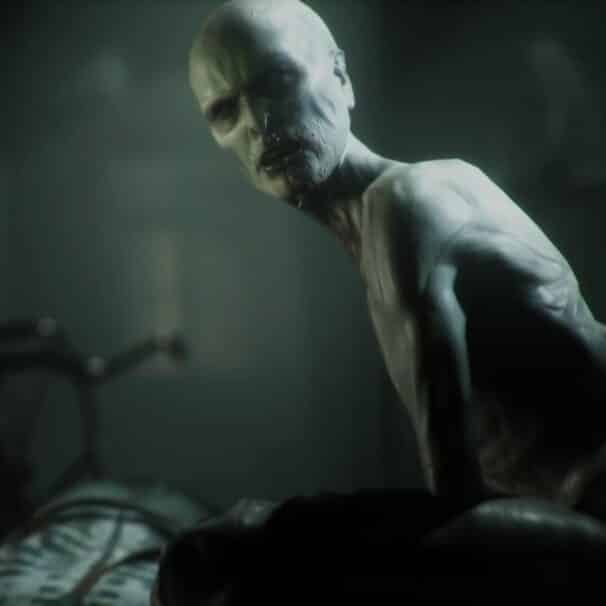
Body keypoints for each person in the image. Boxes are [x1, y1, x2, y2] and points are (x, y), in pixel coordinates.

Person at [188, 0, 606, 515]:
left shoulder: (407, 200)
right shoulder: (377, 222)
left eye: (277, 80)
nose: (257, 121)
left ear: (341, 78)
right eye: (224, 112)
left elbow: (452, 499)